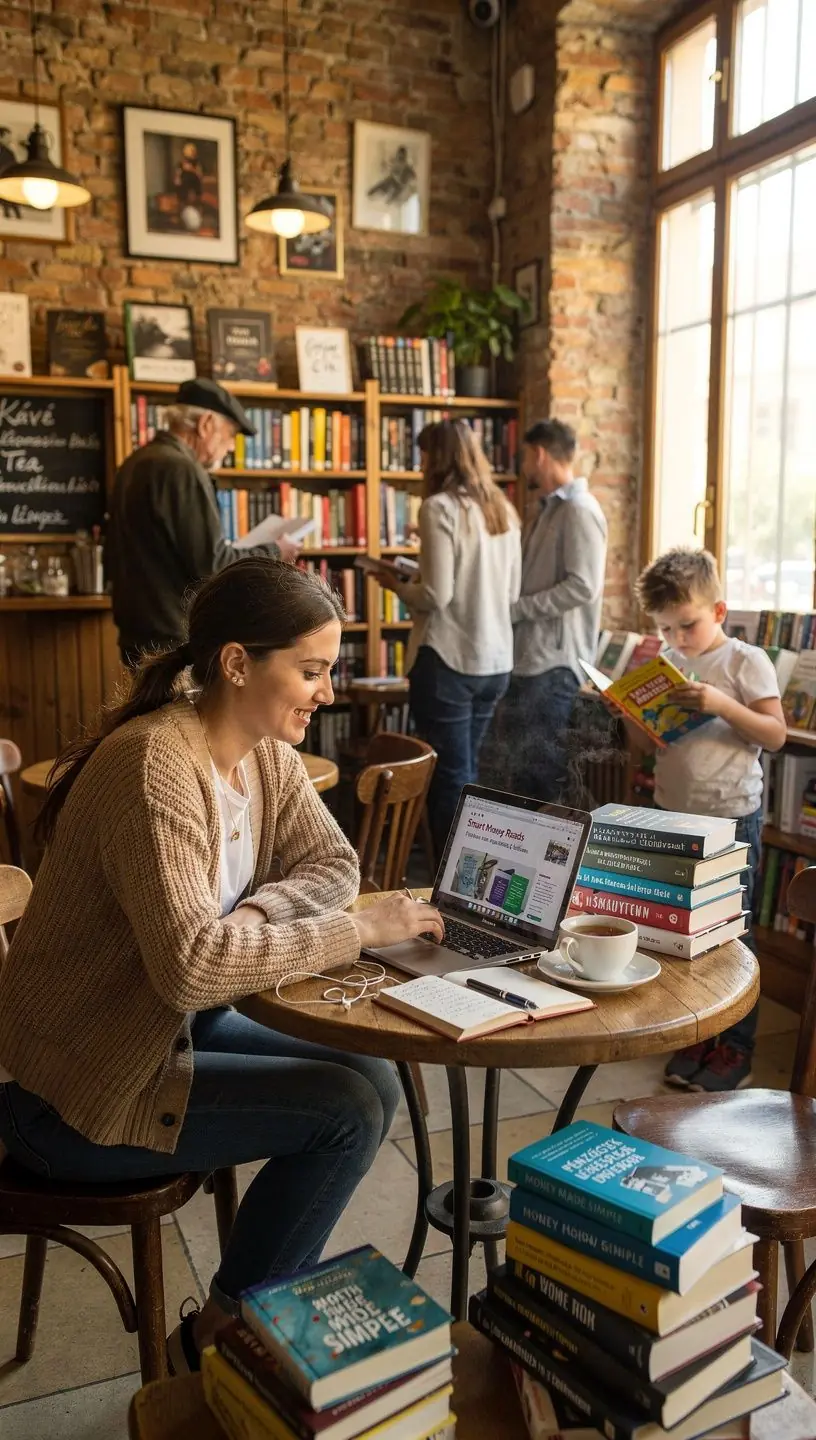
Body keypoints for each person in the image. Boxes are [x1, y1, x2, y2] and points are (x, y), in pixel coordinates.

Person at [0, 557, 443, 1373]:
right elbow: (193, 971)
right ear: (239, 663)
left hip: (167, 1033)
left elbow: (333, 866)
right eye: (310, 671)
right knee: (344, 1110)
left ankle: (250, 1311)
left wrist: (257, 912)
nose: (326, 692)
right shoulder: (154, 764)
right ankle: (225, 1340)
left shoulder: (261, 751)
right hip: (67, 1092)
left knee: (374, 1078)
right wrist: (355, 934)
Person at [634, 547, 786, 1092]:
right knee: (680, 932)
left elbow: (775, 734)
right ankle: (698, 1032)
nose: (677, 638)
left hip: (729, 819)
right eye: (666, 628)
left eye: (688, 625)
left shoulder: (746, 661)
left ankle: (735, 1048)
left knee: (731, 936)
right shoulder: (668, 663)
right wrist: (629, 713)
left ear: (719, 611)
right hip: (671, 815)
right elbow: (646, 743)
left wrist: (722, 704)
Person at [376, 420, 521, 860]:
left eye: (422, 456)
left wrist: (394, 583)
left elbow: (437, 595)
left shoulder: (439, 508)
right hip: (495, 660)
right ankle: (472, 875)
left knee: (449, 780)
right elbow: (511, 593)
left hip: (449, 659)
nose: (420, 465)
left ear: (436, 459)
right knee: (470, 776)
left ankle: (449, 881)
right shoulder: (502, 508)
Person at [105, 377, 301, 666]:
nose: (231, 447)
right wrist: (275, 551)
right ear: (206, 424)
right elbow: (211, 565)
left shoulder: (136, 462)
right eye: (230, 434)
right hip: (174, 640)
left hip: (139, 634)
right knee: (182, 713)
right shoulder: (180, 468)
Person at [483, 418, 607, 803]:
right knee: (521, 776)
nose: (523, 466)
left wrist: (518, 609)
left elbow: (584, 585)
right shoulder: (549, 510)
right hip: (531, 660)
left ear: (539, 454)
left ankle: (544, 862)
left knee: (541, 776)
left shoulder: (579, 510)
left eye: (524, 456)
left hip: (553, 665)